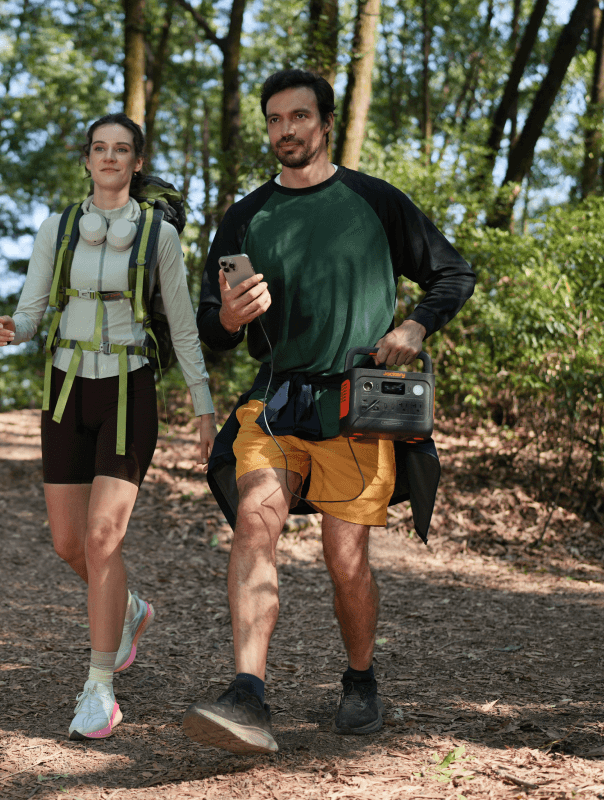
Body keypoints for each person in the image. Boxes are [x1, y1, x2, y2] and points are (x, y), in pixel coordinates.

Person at [182, 69, 476, 754]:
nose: (286, 130)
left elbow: (452, 272)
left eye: (298, 117)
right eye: (275, 119)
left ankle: (361, 681)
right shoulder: (246, 215)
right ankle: (248, 694)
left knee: (347, 562)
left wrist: (417, 327)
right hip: (274, 402)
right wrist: (226, 317)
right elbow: (212, 328)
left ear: (324, 122)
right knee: (255, 525)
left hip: (357, 405)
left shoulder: (374, 201)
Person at [0, 112, 217, 741]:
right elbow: (32, 311)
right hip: (64, 389)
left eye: (123, 150)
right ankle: (131, 610)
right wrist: (12, 329)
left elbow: (185, 325)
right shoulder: (57, 228)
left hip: (127, 390)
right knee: (68, 543)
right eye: (100, 148)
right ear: (86, 159)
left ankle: (99, 691)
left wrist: (203, 407)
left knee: (101, 539)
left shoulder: (158, 238)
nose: (110, 157)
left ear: (137, 163)